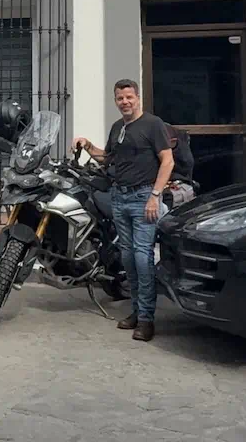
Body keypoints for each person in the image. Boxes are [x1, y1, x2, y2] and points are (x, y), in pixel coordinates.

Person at [73, 79, 174, 342]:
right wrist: (87, 145)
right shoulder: (118, 127)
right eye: (120, 98)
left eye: (129, 97)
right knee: (128, 259)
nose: (125, 102)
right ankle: (136, 312)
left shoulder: (153, 124)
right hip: (120, 197)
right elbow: (108, 159)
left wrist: (155, 196)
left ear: (138, 98)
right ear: (115, 100)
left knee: (142, 258)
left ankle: (146, 320)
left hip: (143, 198)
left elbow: (167, 161)